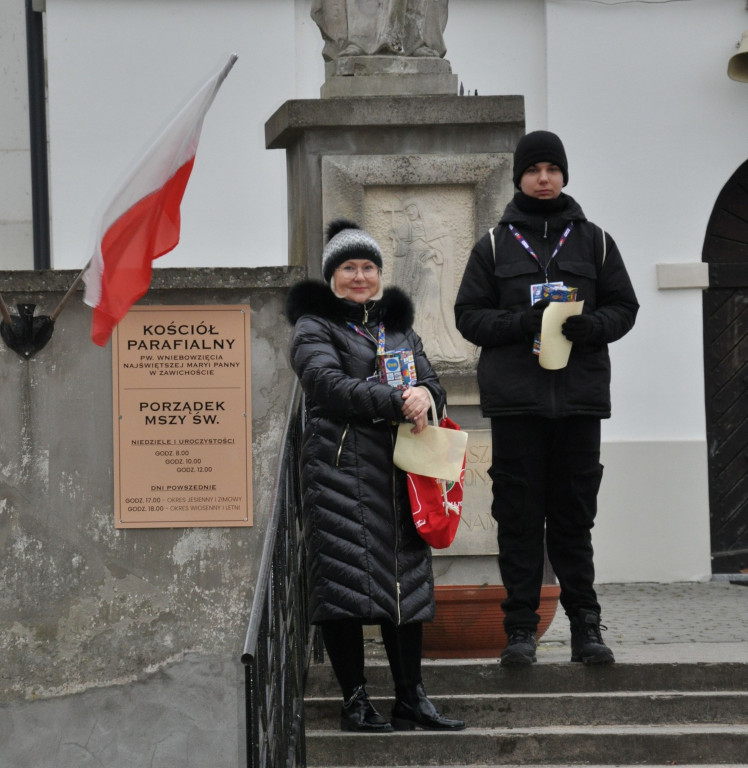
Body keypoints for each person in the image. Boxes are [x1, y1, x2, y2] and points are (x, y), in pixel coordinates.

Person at [454, 131, 639, 666]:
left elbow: (625, 306)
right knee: (518, 518)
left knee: (573, 517)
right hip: (518, 404)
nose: (543, 178)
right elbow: (468, 315)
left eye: (551, 169)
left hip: (579, 401)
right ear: (518, 177)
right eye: (533, 169)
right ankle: (519, 630)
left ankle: (586, 626)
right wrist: (520, 324)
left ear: (563, 176)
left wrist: (594, 326)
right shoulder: (493, 245)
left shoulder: (596, 242)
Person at [285, 219, 465, 732]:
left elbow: (430, 382)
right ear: (332, 275)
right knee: (344, 589)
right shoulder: (315, 326)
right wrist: (394, 399)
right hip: (340, 475)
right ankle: (355, 701)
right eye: (348, 268)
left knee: (405, 589)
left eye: (368, 267)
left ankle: (411, 697)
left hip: (401, 475)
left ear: (379, 274)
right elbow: (325, 383)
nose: (359, 276)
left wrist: (427, 395)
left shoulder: (397, 328)